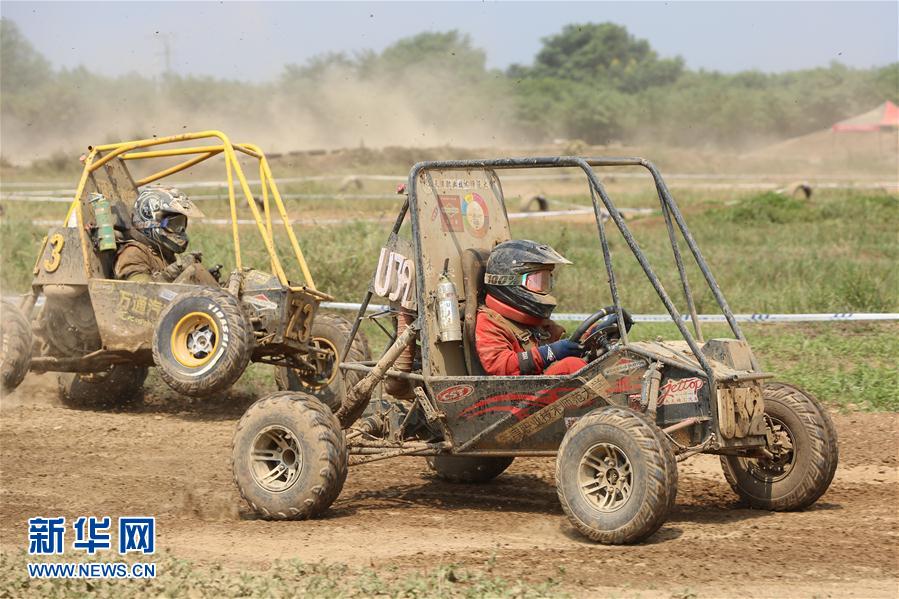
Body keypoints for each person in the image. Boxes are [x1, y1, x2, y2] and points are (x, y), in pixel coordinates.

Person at [475, 239, 587, 376]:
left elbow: (564, 343)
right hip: (511, 394)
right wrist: (547, 353)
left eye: (546, 280)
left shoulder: (531, 320)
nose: (543, 287)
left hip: (536, 387)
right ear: (508, 280)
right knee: (572, 366)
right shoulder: (489, 322)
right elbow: (500, 367)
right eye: (537, 281)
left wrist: (590, 336)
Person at [114, 186, 212, 284]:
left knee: (196, 270)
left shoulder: (162, 252)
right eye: (174, 224)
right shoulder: (134, 253)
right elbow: (138, 291)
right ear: (150, 220)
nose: (180, 230)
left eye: (182, 224)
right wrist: (171, 273)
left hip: (173, 298)